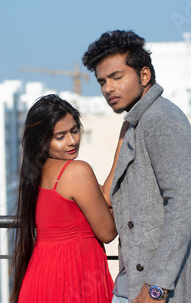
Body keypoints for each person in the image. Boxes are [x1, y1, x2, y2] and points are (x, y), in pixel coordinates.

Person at [82, 30, 191, 303]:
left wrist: (156, 288)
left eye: (117, 77)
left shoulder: (160, 119)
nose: (108, 88)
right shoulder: (137, 122)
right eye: (102, 81)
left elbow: (184, 202)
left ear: (144, 75)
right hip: (134, 282)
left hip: (158, 288)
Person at [10, 94, 118, 303]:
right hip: (73, 281)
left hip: (41, 283)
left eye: (75, 130)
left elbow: (105, 196)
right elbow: (108, 232)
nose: (72, 141)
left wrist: (122, 141)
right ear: (42, 141)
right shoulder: (77, 171)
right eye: (60, 136)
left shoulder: (39, 172)